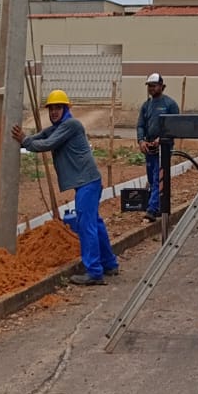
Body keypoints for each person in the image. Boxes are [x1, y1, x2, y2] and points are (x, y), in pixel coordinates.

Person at [13, 89, 119, 286]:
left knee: (86, 225)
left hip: (87, 183)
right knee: (95, 223)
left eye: (58, 108)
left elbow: (48, 143)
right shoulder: (60, 126)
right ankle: (110, 264)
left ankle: (94, 272)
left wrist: (25, 141)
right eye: (51, 108)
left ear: (66, 108)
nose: (54, 112)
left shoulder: (71, 125)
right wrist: (27, 139)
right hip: (88, 182)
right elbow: (43, 135)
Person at [135, 72, 180, 221]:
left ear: (162, 86)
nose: (151, 89)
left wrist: (162, 139)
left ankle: (152, 209)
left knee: (157, 176)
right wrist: (141, 141)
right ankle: (160, 206)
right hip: (150, 148)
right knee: (151, 177)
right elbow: (141, 125)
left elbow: (175, 126)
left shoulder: (170, 105)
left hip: (163, 149)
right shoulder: (146, 106)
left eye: (154, 86)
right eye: (149, 86)